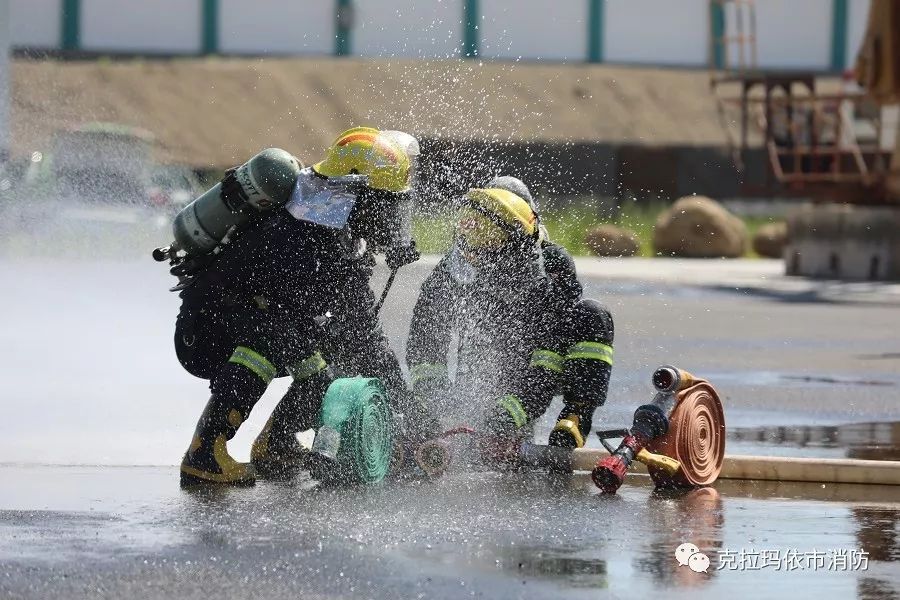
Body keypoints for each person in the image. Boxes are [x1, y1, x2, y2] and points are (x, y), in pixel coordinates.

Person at [175, 126, 425, 486]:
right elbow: (363, 334)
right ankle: (203, 453)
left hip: (256, 322)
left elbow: (358, 334)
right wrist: (412, 410)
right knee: (297, 356)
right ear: (356, 193)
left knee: (332, 354)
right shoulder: (302, 235)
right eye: (384, 205)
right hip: (205, 334)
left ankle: (275, 445)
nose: (388, 218)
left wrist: (410, 410)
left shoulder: (324, 224)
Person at [405, 177, 615, 453]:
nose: (480, 251)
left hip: (539, 368)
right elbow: (426, 335)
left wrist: (513, 411)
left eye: (493, 237)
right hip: (482, 370)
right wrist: (436, 396)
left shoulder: (552, 264)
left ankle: (576, 416)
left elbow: (550, 349)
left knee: (592, 315)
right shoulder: (457, 264)